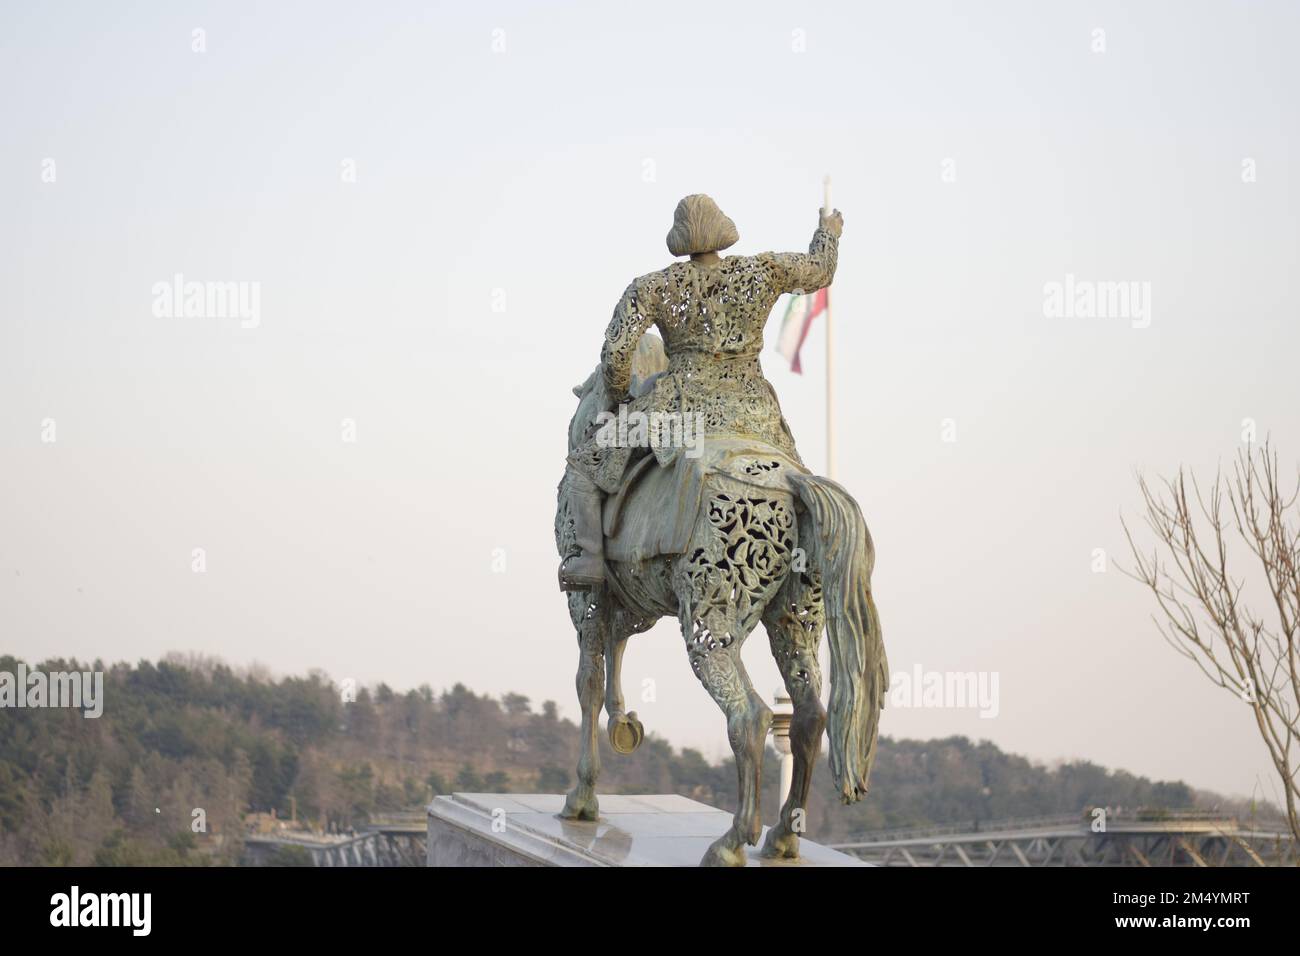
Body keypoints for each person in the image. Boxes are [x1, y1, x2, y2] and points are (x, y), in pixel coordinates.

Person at [558, 194, 842, 591]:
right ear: (722, 231)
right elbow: (819, 270)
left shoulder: (655, 286)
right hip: (757, 416)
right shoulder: (762, 270)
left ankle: (588, 559)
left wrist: (622, 395)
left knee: (584, 465)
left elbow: (616, 355)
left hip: (680, 418)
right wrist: (827, 233)